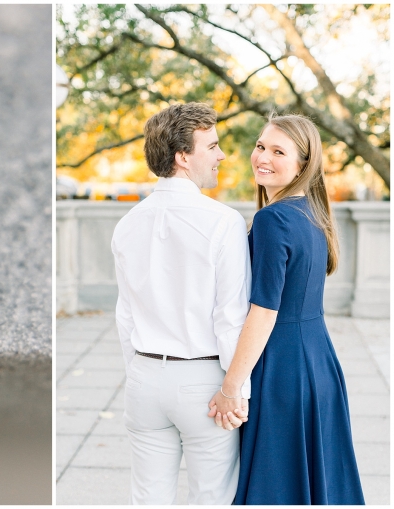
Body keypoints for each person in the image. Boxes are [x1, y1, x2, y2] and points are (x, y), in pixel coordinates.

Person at [208, 114, 365, 504]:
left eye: (279, 151)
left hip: (282, 370)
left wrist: (230, 389)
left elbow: (264, 311)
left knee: (276, 486)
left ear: (302, 164)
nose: (262, 156)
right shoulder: (312, 214)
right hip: (319, 361)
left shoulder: (272, 219)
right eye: (261, 146)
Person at [111, 102, 251, 505]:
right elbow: (231, 318)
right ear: (183, 156)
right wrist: (236, 390)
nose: (221, 155)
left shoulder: (127, 224)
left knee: (148, 499)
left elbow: (125, 316)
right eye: (213, 145)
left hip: (144, 376)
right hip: (204, 382)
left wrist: (138, 374)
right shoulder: (222, 221)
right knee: (212, 498)